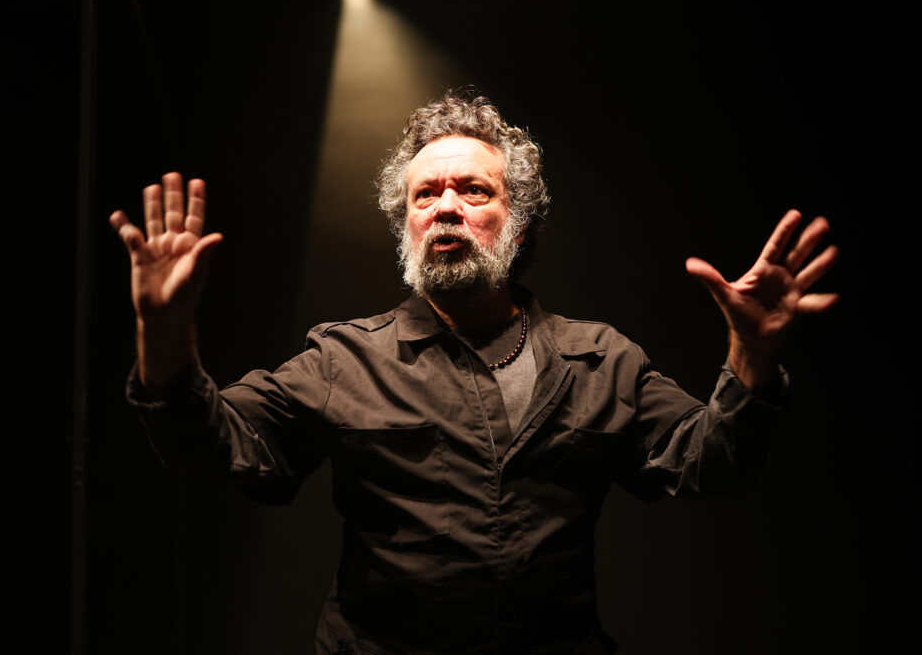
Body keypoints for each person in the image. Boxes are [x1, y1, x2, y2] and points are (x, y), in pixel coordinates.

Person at [110, 93, 838, 654]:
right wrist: (164, 333)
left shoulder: (601, 359)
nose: (446, 208)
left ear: (517, 223)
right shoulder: (344, 359)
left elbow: (713, 462)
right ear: (406, 224)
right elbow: (214, 447)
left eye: (473, 191)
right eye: (425, 195)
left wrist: (752, 354)